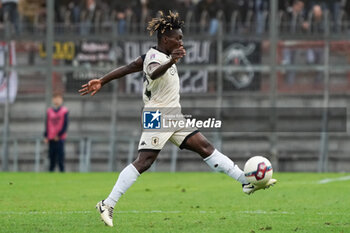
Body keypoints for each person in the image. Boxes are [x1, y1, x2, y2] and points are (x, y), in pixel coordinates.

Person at [79, 11, 276, 227]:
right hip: (157, 115)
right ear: (166, 39)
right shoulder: (156, 59)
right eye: (178, 38)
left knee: (205, 147)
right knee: (144, 161)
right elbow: (154, 73)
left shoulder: (148, 57)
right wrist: (172, 61)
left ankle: (245, 182)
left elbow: (127, 68)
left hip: (173, 116)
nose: (181, 41)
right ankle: (107, 203)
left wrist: (103, 80)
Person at [44, 94, 69, 172]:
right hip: (51, 138)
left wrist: (59, 135)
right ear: (52, 100)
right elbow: (47, 124)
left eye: (58, 98)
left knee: (60, 157)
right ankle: (51, 173)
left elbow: (65, 124)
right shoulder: (49, 111)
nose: (57, 100)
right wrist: (46, 135)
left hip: (60, 138)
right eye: (55, 98)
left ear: (61, 100)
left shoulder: (64, 111)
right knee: (51, 157)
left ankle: (62, 172)